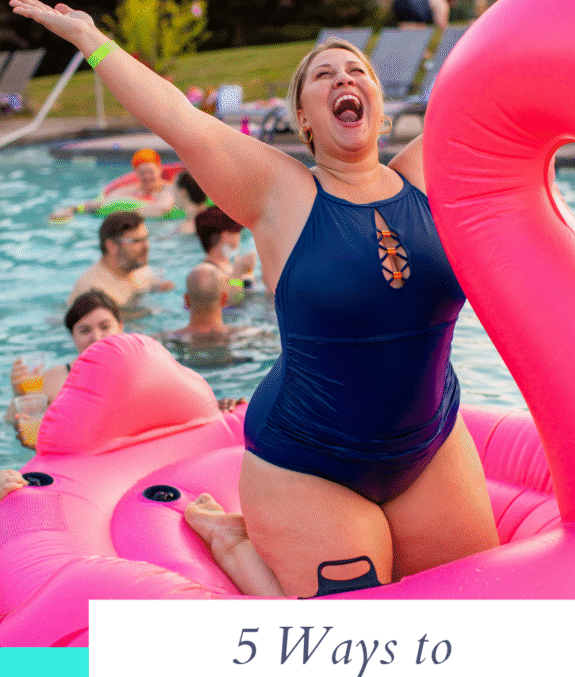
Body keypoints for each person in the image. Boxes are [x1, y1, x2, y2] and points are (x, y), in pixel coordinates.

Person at [9, 3, 499, 599]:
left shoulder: (430, 171)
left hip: (430, 443)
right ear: (305, 119)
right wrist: (91, 40)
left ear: (379, 101)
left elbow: (498, 80)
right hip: (308, 461)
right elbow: (175, 115)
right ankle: (233, 541)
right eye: (323, 75)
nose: (343, 78)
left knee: (480, 611)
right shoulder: (279, 192)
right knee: (336, 637)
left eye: (356, 71)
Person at [4, 289, 123, 432]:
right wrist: (19, 394)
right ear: (73, 336)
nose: (96, 337)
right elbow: (11, 424)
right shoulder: (55, 379)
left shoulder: (140, 370)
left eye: (105, 327)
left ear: (120, 327)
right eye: (85, 330)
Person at [66, 210, 174, 308]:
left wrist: (157, 287)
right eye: (136, 241)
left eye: (146, 238)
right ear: (112, 245)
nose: (146, 246)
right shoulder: (94, 291)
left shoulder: (137, 266)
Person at [52, 148, 178, 221]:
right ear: (136, 174)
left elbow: (163, 208)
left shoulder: (169, 189)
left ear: (160, 169)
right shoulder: (130, 191)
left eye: (151, 171)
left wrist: (122, 210)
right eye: (142, 173)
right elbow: (103, 204)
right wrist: (71, 209)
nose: (147, 177)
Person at [195, 206, 257, 287]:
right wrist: (238, 273)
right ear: (226, 236)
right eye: (237, 232)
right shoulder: (206, 274)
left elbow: (238, 284)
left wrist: (248, 271)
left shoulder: (224, 269)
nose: (239, 236)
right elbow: (225, 296)